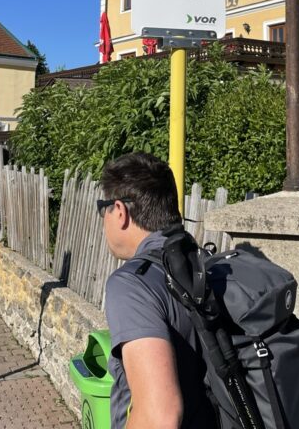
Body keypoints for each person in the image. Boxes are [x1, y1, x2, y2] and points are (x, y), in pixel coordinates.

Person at [100, 152, 215, 429]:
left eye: (101, 208)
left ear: (119, 211)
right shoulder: (202, 265)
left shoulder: (131, 286)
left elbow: (159, 417)